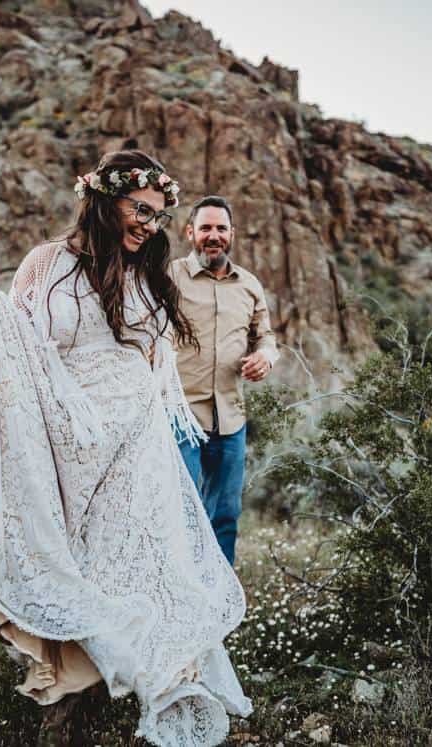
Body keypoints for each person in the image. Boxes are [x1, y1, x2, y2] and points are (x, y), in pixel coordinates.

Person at [0, 150, 251, 746]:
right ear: (103, 199)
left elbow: (152, 361)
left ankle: (153, 691)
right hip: (66, 450)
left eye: (160, 215)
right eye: (142, 209)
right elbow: (30, 355)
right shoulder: (47, 265)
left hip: (135, 449)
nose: (150, 224)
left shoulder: (146, 277)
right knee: (75, 570)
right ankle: (66, 718)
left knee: (143, 567)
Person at [171, 195, 279, 566]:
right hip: (180, 416)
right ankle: (179, 601)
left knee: (226, 515)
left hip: (231, 416)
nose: (213, 236)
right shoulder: (169, 277)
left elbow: (265, 336)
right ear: (190, 233)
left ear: (231, 234)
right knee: (183, 513)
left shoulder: (249, 285)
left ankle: (220, 605)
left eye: (220, 228)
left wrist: (265, 356)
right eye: (205, 228)